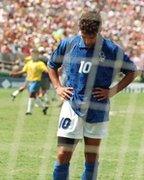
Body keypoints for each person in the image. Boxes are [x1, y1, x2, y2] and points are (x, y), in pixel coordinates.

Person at [48, 10, 137, 179]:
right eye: (85, 37)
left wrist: (112, 91)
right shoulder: (68, 44)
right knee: (62, 155)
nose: (88, 41)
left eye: (92, 37)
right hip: (72, 106)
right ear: (80, 30)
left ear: (99, 31)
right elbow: (51, 65)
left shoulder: (111, 49)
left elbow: (132, 72)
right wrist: (58, 87)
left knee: (91, 157)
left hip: (98, 108)